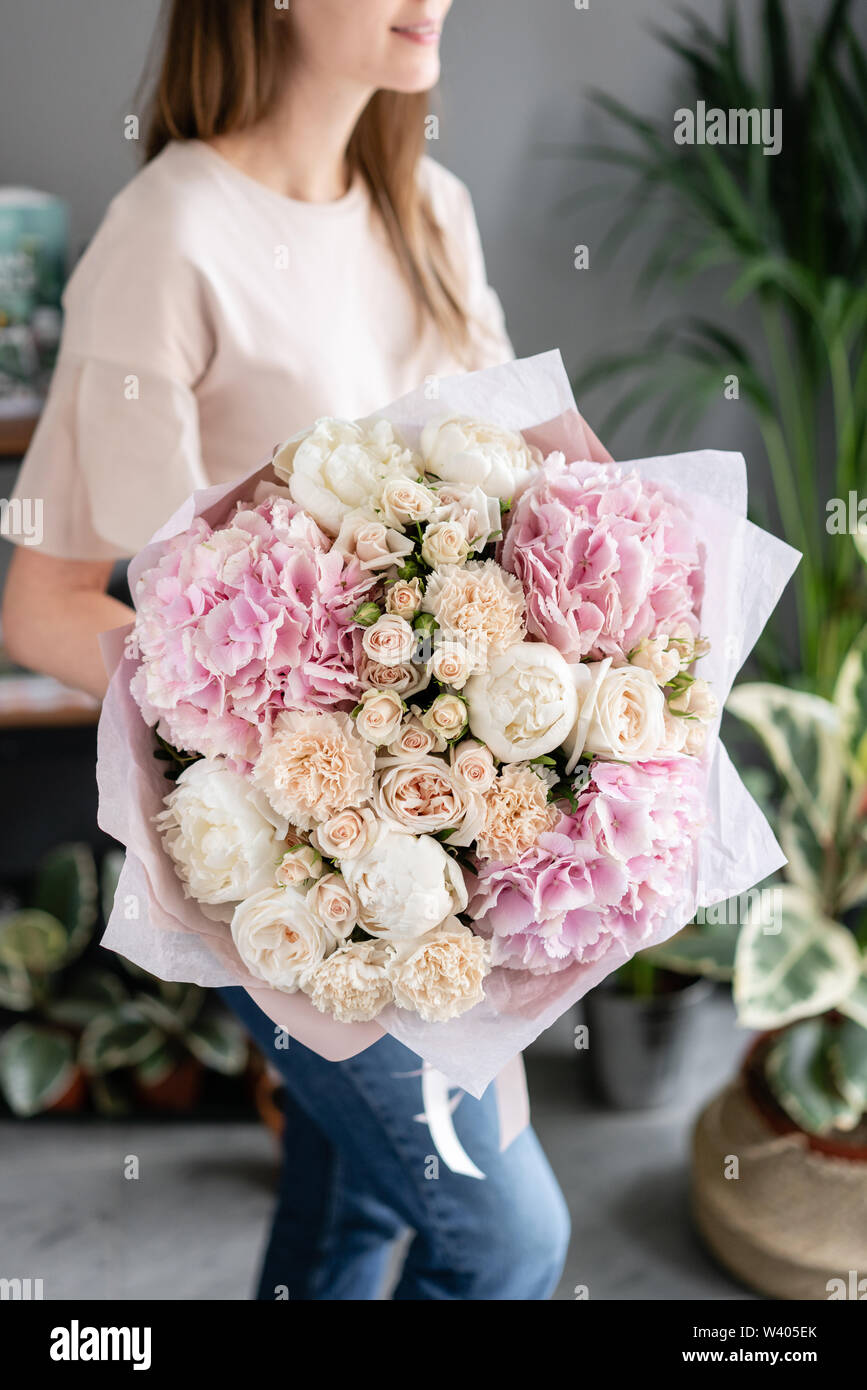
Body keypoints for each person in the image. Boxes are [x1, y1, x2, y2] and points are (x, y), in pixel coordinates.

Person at [4, 0, 607, 1300]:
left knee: (353, 1208)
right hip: (286, 879)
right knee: (508, 1243)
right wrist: (293, 731)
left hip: (446, 845)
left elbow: (525, 503)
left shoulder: (428, 212)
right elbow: (43, 604)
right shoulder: (168, 239)